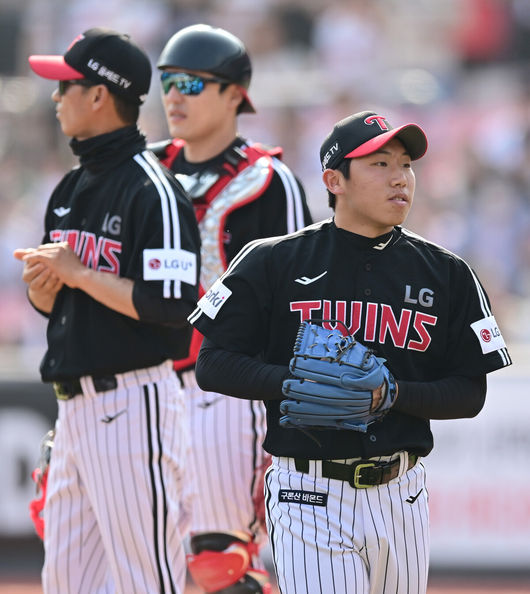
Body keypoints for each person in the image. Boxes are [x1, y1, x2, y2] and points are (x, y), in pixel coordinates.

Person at [187, 110, 512, 594]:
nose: (400, 178)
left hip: (402, 494)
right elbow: (212, 364)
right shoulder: (272, 260)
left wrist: (392, 394)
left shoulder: (446, 273)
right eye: (380, 164)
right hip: (307, 491)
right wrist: (295, 384)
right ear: (333, 179)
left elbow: (469, 393)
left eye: (405, 164)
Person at [13, 28, 201, 594]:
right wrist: (45, 287)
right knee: (67, 582)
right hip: (73, 412)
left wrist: (77, 273)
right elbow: (60, 304)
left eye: (66, 85)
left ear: (99, 95)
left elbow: (173, 304)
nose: (55, 96)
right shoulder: (70, 185)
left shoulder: (155, 190)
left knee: (148, 581)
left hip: (133, 403)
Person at [151, 23, 313, 594]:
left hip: (225, 388)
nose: (173, 95)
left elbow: (301, 297)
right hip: (144, 384)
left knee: (222, 562)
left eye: (191, 83)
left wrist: (286, 400)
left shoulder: (270, 181)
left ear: (233, 94)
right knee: (148, 554)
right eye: (166, 81)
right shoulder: (145, 171)